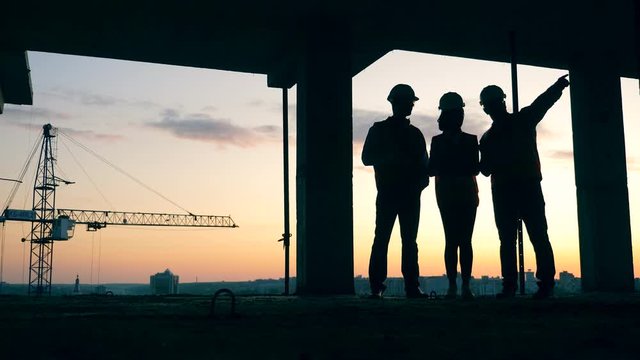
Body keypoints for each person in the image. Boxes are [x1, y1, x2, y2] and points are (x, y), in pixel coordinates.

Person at [479, 75, 570, 299]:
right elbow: (543, 103)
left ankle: (512, 285)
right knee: (536, 234)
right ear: (502, 102)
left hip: (508, 190)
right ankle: (543, 284)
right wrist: (558, 86)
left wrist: (557, 86)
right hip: (523, 187)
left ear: (486, 108)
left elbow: (485, 169)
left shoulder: (490, 137)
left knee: (514, 238)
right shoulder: (520, 122)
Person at [362, 84, 430, 299]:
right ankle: (381, 286)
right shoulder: (380, 130)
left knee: (405, 240)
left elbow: (424, 167)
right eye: (409, 101)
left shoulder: (413, 134)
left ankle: (408, 286)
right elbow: (366, 158)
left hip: (406, 194)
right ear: (396, 103)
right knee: (385, 239)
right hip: (390, 193)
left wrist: (418, 185)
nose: (411, 105)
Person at [428, 92, 479, 300]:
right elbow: (472, 168)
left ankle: (459, 286)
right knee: (458, 240)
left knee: (459, 240)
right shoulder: (467, 141)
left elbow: (433, 169)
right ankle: (459, 285)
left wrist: (448, 168)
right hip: (458, 195)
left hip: (456, 194)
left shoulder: (441, 142)